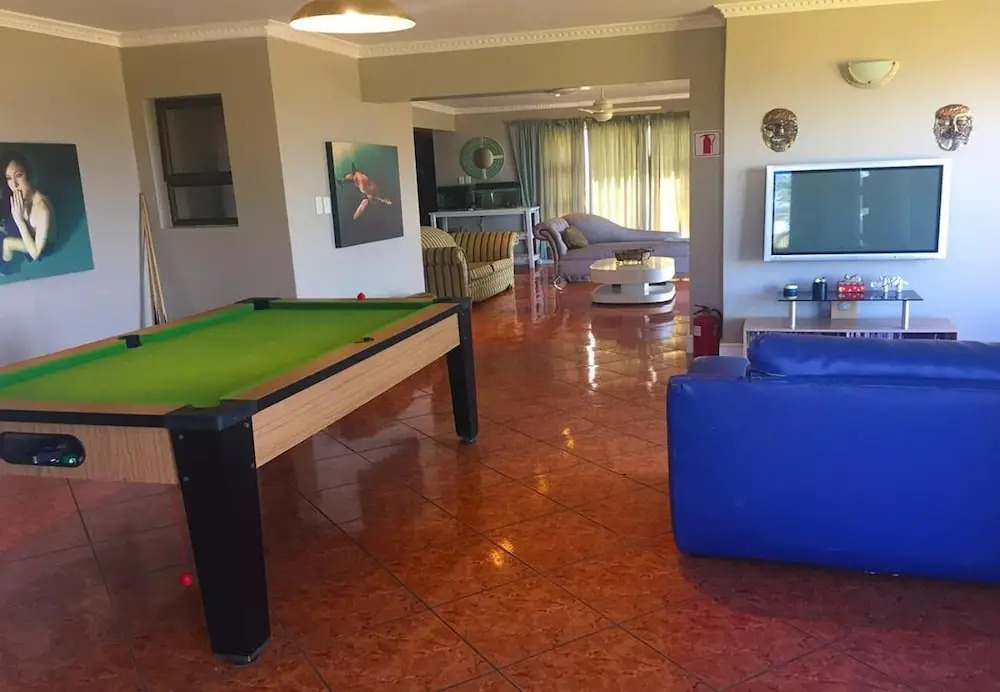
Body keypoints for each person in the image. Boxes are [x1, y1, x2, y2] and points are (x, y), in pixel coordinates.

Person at [2, 151, 54, 266]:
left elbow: (35, 254)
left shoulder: (42, 208)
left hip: (43, 248)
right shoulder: (24, 196)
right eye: (9, 178)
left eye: (18, 175)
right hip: (29, 234)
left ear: (29, 175)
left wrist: (19, 221)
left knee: (6, 243)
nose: (14, 184)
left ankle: (6, 270)